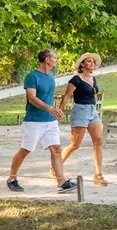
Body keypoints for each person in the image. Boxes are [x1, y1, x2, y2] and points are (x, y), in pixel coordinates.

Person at [7, 49, 77, 193]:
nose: (56, 60)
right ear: (47, 59)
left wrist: (54, 111)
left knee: (56, 149)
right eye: (54, 58)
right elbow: (32, 98)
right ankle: (11, 179)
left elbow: (48, 97)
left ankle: (61, 183)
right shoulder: (32, 77)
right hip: (34, 121)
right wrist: (49, 108)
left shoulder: (51, 76)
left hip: (50, 121)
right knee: (25, 150)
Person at [57, 53, 108, 186]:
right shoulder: (76, 79)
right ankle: (55, 167)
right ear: (82, 64)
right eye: (89, 62)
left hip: (92, 111)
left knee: (98, 141)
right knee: (75, 145)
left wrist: (93, 109)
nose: (92, 64)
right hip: (80, 111)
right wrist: (58, 111)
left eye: (93, 62)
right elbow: (66, 96)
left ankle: (98, 175)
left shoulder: (93, 78)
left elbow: (93, 95)